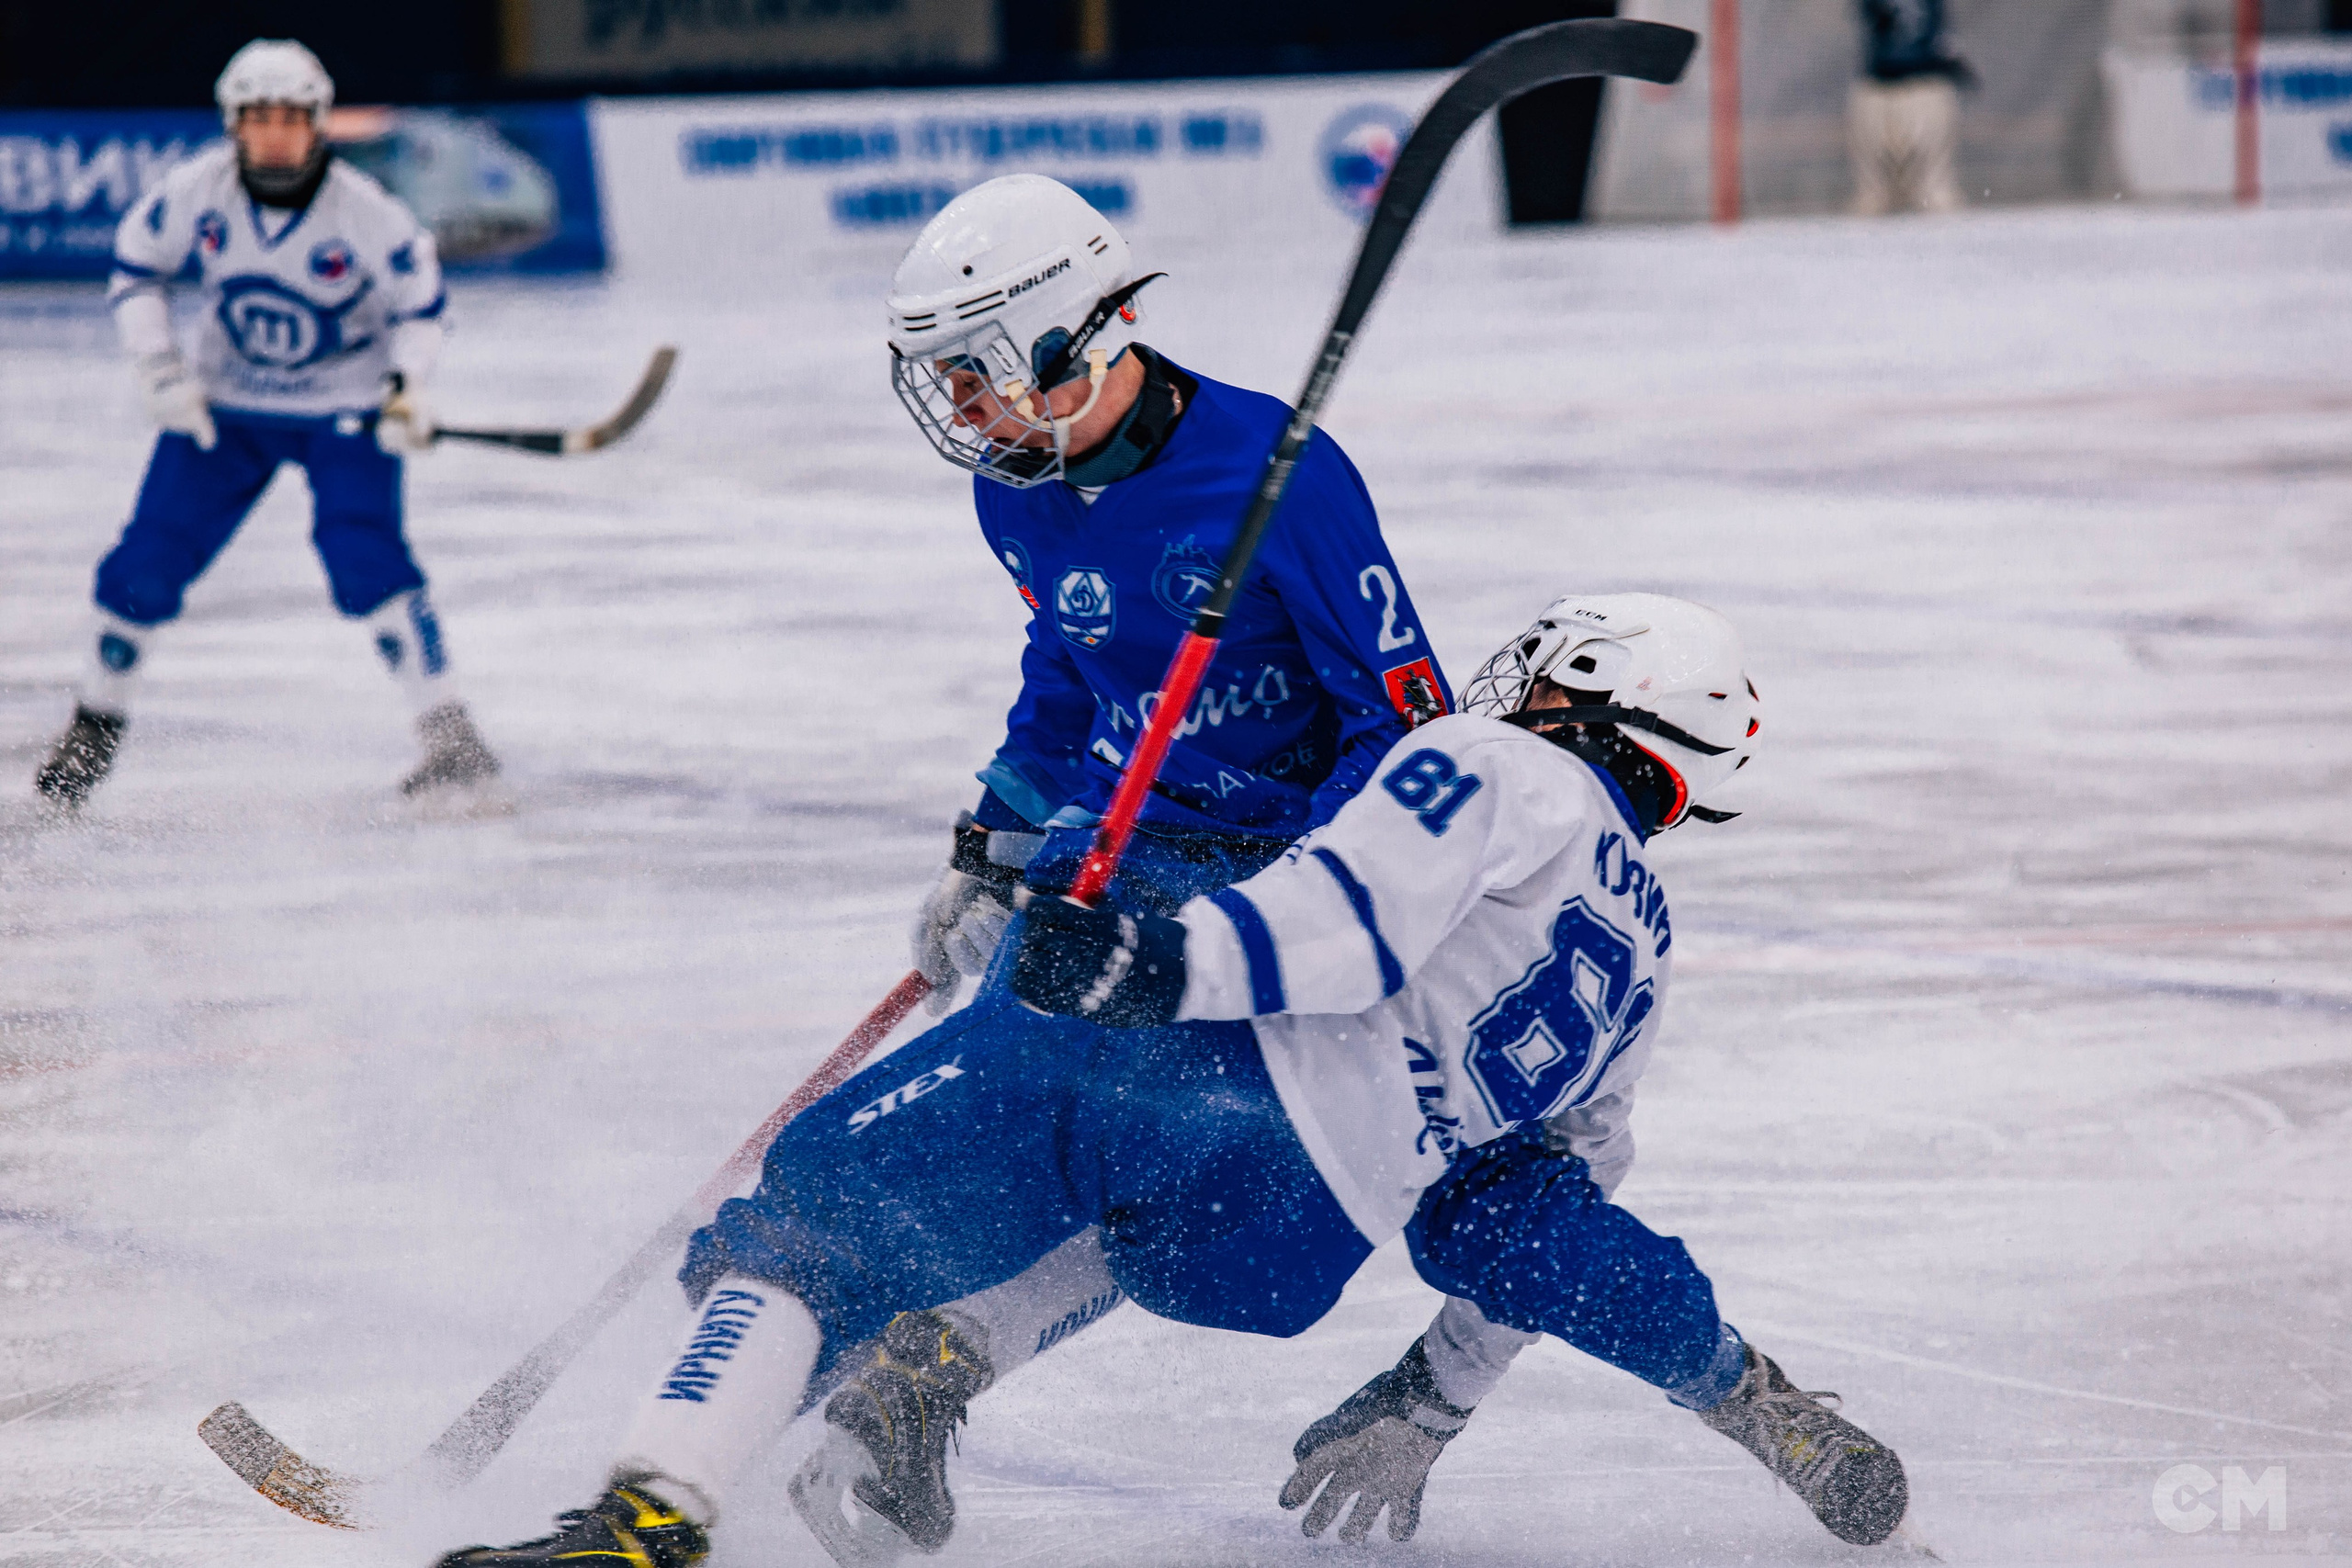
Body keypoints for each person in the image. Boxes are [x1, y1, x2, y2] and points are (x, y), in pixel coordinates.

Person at [427, 592, 1912, 1568]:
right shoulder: (1641, 953)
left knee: (823, 1207)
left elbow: (1343, 923)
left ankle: (648, 1512)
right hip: (1286, 1248)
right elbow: (1549, 1209)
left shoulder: (1499, 764)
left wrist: (1157, 960)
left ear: (1583, 679)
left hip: (1210, 1080)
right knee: (1140, 1205)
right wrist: (1430, 1395)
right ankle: (947, 1353)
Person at [33, 39, 499, 808]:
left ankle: (451, 736)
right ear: (234, 125)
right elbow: (138, 267)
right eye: (258, 119)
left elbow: (422, 308)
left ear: (317, 123)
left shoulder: (367, 211)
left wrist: (406, 388)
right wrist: (160, 369)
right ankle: (94, 726)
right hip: (227, 409)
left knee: (365, 558)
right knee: (144, 565)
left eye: (291, 118)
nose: (275, 135)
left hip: (342, 409)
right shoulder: (198, 190)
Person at [1849, 0, 1973, 216]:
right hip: (1879, 88)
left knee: (1935, 193)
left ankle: (1945, 236)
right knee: (1874, 197)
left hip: (1925, 87)